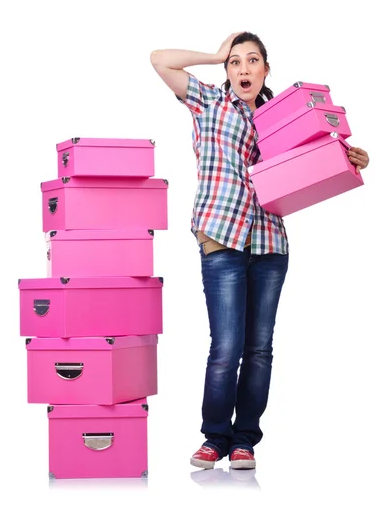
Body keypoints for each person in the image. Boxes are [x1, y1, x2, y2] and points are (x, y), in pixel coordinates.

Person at [150, 32, 370, 471]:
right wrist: (213, 54)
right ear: (227, 71)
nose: (243, 68)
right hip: (221, 236)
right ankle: (215, 438)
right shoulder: (209, 103)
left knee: (260, 348)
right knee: (225, 347)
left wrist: (349, 156)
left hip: (270, 242)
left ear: (266, 69)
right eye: (235, 62)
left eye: (253, 61)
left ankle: (245, 439)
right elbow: (159, 59)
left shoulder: (280, 119)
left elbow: (312, 161)